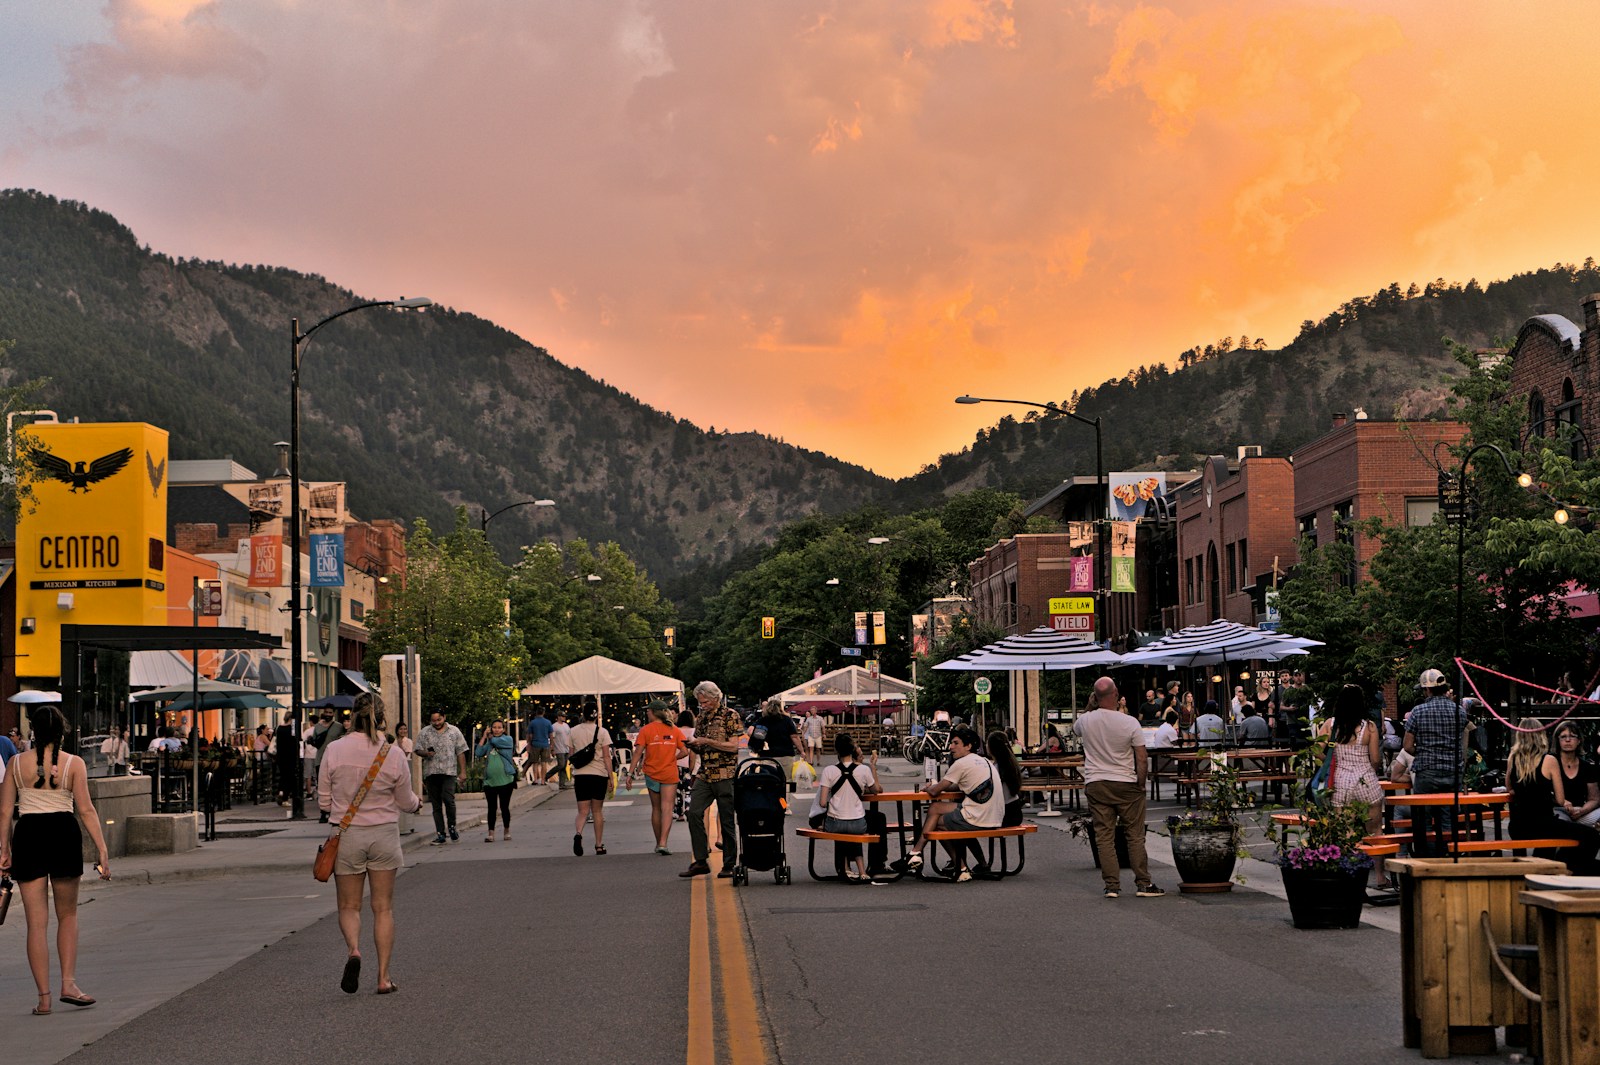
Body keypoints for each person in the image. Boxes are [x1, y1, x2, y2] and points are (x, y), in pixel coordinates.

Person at [0, 704, 112, 1015]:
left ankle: (44, 999)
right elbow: (86, 810)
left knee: (36, 925)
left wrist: (4, 850)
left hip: (29, 834)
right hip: (63, 832)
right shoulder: (73, 764)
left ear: (33, 731)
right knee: (68, 916)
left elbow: (5, 811)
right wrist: (102, 849)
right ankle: (69, 984)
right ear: (61, 731)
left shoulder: (15, 763)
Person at [317, 692, 422, 995]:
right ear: (382, 716)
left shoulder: (335, 750)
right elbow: (405, 801)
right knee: (383, 908)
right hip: (384, 834)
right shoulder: (392, 753)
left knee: (349, 906)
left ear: (352, 716)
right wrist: (417, 804)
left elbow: (324, 800)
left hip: (347, 834)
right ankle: (384, 977)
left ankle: (353, 951)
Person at [1074, 676, 1163, 899]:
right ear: (1115, 695)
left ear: (1095, 697)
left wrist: (1090, 705)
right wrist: (1141, 784)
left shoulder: (1085, 720)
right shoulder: (1130, 722)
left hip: (1096, 783)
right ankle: (1143, 883)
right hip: (1125, 783)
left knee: (1104, 836)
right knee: (1134, 835)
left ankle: (1112, 886)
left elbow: (1076, 729)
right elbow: (1141, 758)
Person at [896, 726, 1003, 882]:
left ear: (968, 746)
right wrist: (937, 786)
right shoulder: (984, 761)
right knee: (936, 808)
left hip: (979, 816)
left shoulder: (961, 763)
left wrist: (931, 786)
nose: (951, 747)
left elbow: (934, 792)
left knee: (936, 824)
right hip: (993, 815)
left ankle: (960, 868)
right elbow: (956, 785)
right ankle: (915, 853)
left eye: (956, 743)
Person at [1318, 684, 1385, 887]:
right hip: (1366, 781)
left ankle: (1350, 877)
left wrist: (1330, 761)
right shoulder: (1370, 727)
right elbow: (1375, 759)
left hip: (1341, 782)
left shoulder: (1330, 725)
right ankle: (1381, 876)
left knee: (1345, 832)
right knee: (1374, 831)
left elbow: (1315, 749)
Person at [680, 681, 744, 878]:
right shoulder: (702, 718)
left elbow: (733, 747)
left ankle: (729, 863)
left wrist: (707, 741)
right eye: (700, 703)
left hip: (725, 774)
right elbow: (701, 744)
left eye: (705, 702)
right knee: (693, 813)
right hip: (705, 773)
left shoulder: (730, 716)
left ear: (716, 698)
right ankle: (700, 860)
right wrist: (693, 745)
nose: (703, 706)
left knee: (726, 820)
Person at [1403, 668, 1467, 853]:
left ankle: (1428, 857)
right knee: (1448, 818)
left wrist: (1424, 751)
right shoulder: (1459, 711)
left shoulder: (1418, 711)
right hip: (1453, 770)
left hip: (1427, 770)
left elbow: (1407, 746)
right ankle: (1448, 855)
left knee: (1424, 820)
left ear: (1427, 690)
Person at [812, 732, 881, 881]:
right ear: (852, 750)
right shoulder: (863, 770)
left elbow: (822, 802)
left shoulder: (829, 771)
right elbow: (876, 790)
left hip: (834, 824)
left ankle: (845, 868)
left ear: (837, 751)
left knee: (842, 827)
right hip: (858, 823)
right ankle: (863, 870)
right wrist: (872, 767)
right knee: (854, 829)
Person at [625, 700, 690, 855]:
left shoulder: (646, 730)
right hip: (669, 773)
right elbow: (685, 751)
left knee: (656, 808)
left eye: (648, 711)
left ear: (654, 712)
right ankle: (663, 842)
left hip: (651, 773)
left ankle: (657, 842)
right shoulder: (674, 729)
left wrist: (630, 773)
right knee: (667, 808)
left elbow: (637, 753)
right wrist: (673, 758)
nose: (647, 713)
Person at [416, 711, 468, 845]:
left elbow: (461, 751)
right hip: (431, 772)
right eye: (434, 721)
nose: (437, 723)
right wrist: (426, 753)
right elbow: (417, 749)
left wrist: (463, 772)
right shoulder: (425, 732)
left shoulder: (454, 731)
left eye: (439, 719)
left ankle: (452, 827)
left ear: (444, 717)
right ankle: (440, 834)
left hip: (449, 772)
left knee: (448, 799)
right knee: (436, 805)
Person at [568, 704, 612, 856]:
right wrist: (610, 777)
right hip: (598, 774)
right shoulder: (602, 732)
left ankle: (579, 833)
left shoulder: (573, 731)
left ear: (583, 714)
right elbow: (607, 756)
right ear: (596, 715)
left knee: (582, 811)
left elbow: (571, 755)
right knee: (597, 811)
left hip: (580, 775)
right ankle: (599, 845)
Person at [475, 719, 518, 842]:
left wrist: (490, 737)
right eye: (494, 727)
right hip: (490, 781)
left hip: (506, 779)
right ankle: (491, 833)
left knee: (504, 807)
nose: (497, 729)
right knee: (491, 808)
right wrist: (483, 737)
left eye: (499, 727)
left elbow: (496, 741)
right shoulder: (489, 742)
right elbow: (478, 752)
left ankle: (506, 830)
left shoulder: (507, 739)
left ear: (503, 729)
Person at [751, 699, 799, 788]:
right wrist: (802, 751)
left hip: (767, 755)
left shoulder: (763, 720)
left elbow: (755, 736)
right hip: (785, 754)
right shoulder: (786, 720)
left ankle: (770, 799)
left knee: (768, 781)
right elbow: (794, 737)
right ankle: (784, 799)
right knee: (786, 781)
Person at [674, 708, 696, 822]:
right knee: (688, 788)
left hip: (675, 763)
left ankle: (679, 813)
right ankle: (688, 807)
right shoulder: (694, 731)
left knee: (677, 790)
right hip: (688, 763)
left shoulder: (675, 731)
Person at [546, 710, 571, 789]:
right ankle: (547, 775)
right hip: (558, 748)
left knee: (563, 767)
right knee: (561, 765)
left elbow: (569, 736)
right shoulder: (554, 726)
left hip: (566, 748)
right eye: (563, 716)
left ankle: (562, 784)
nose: (564, 718)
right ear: (558, 717)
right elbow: (552, 737)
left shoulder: (566, 726)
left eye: (564, 716)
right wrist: (552, 748)